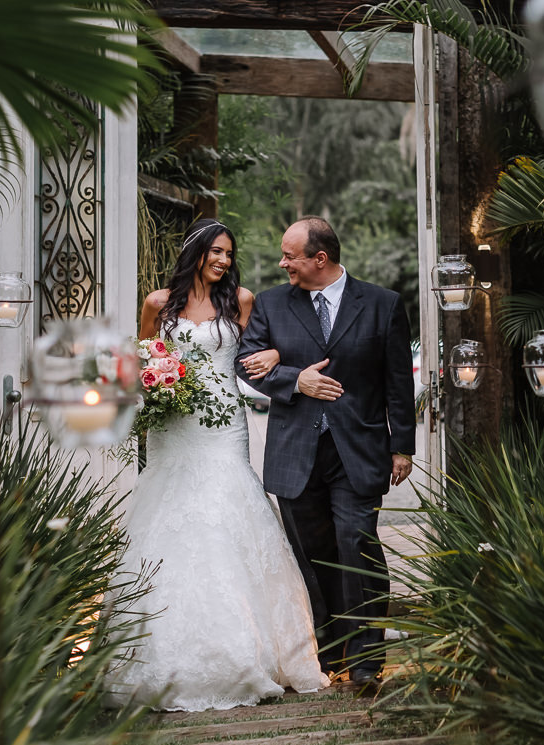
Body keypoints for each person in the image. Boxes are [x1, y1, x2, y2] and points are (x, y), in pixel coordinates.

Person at [106, 218, 330, 711]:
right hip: (174, 426)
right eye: (217, 252)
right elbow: (142, 359)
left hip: (222, 422)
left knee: (225, 513)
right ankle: (161, 648)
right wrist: (153, 389)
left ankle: (248, 649)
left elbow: (264, 350)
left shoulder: (242, 301)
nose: (225, 261)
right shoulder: (157, 304)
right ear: (197, 252)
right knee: (171, 518)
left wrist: (274, 351)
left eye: (230, 253)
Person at [236, 216, 416, 687]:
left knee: (358, 549)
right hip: (296, 453)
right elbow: (247, 363)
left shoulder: (382, 304)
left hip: (358, 449)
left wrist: (402, 447)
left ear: (320, 258)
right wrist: (295, 377)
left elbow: (399, 381)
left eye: (290, 256)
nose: (282, 263)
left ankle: (365, 661)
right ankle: (328, 651)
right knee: (310, 556)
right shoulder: (273, 304)